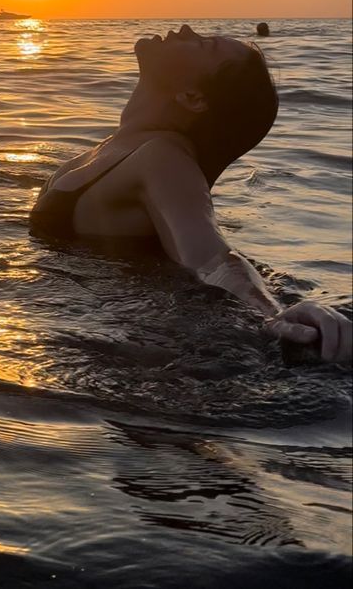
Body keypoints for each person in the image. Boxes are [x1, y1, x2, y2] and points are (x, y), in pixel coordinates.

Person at [29, 24, 351, 364]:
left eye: (203, 45)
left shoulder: (163, 159)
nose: (184, 29)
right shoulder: (121, 146)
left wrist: (271, 313)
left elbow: (211, 257)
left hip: (132, 347)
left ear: (192, 98)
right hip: (76, 323)